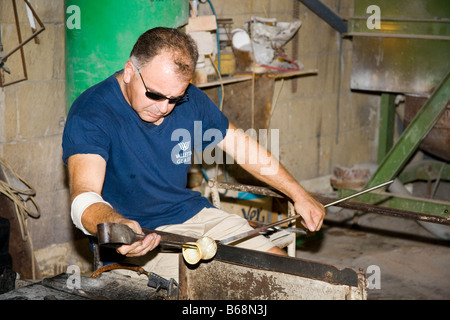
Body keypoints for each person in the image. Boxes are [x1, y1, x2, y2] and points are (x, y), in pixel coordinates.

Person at [62, 27, 325, 279]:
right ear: (130, 71)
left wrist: (299, 194)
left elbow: (243, 148)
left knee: (291, 276)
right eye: (154, 94)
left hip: (196, 215)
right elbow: (83, 197)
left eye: (174, 98)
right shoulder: (92, 113)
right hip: (141, 238)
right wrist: (118, 226)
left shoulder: (190, 100)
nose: (164, 108)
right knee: (225, 287)